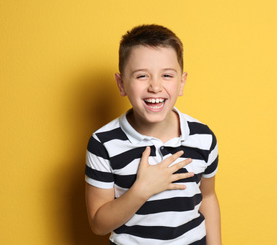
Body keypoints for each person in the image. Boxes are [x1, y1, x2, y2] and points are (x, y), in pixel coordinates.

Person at [85, 24, 222, 245]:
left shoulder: (203, 138)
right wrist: (142, 190)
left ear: (181, 83)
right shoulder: (103, 143)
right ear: (121, 84)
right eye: (141, 76)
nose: (155, 87)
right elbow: (98, 224)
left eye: (167, 75)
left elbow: (207, 197)